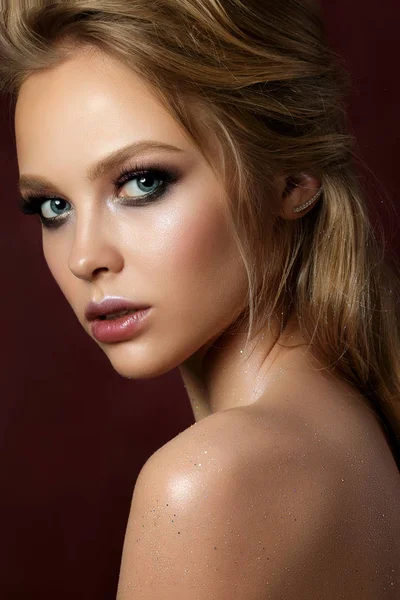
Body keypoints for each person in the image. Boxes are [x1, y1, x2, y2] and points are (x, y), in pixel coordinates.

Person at [1, 1, 399, 598]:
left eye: (142, 182)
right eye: (53, 206)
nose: (85, 257)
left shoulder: (211, 482)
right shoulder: (356, 433)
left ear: (292, 178)